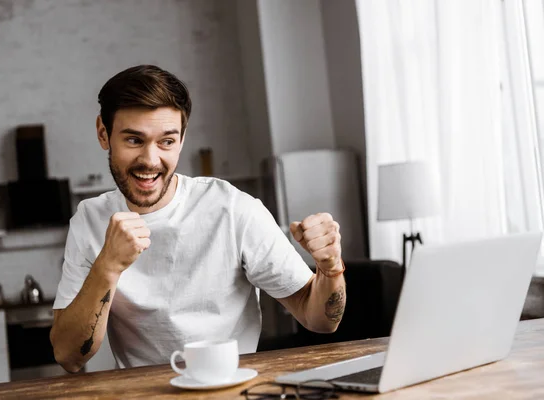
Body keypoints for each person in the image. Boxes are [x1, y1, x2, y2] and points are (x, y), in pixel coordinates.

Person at [50, 65, 346, 373]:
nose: (151, 160)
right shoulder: (90, 220)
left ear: (182, 138)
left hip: (230, 390)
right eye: (134, 140)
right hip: (142, 396)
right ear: (103, 133)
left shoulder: (233, 209)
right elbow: (69, 356)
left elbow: (321, 321)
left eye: (166, 141)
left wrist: (331, 268)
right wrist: (107, 266)